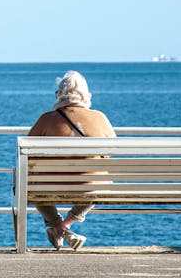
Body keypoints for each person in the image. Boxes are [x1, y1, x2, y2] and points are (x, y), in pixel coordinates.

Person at [27, 70, 115, 251]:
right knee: (101, 182)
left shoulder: (46, 119)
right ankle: (66, 226)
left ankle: (58, 227)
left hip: (50, 186)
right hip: (89, 187)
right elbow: (110, 153)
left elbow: (28, 153)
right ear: (86, 95)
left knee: (31, 185)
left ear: (59, 94)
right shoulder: (100, 118)